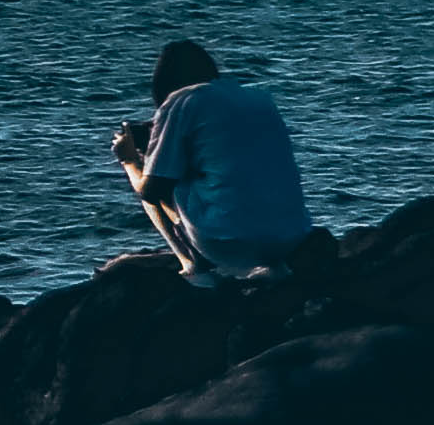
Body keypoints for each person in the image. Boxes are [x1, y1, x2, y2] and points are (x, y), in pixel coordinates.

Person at [112, 39, 315, 281]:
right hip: (290, 239)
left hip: (229, 243)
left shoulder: (180, 101)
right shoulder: (259, 98)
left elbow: (152, 190)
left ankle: (195, 267)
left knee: (154, 175)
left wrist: (129, 160)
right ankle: (271, 267)